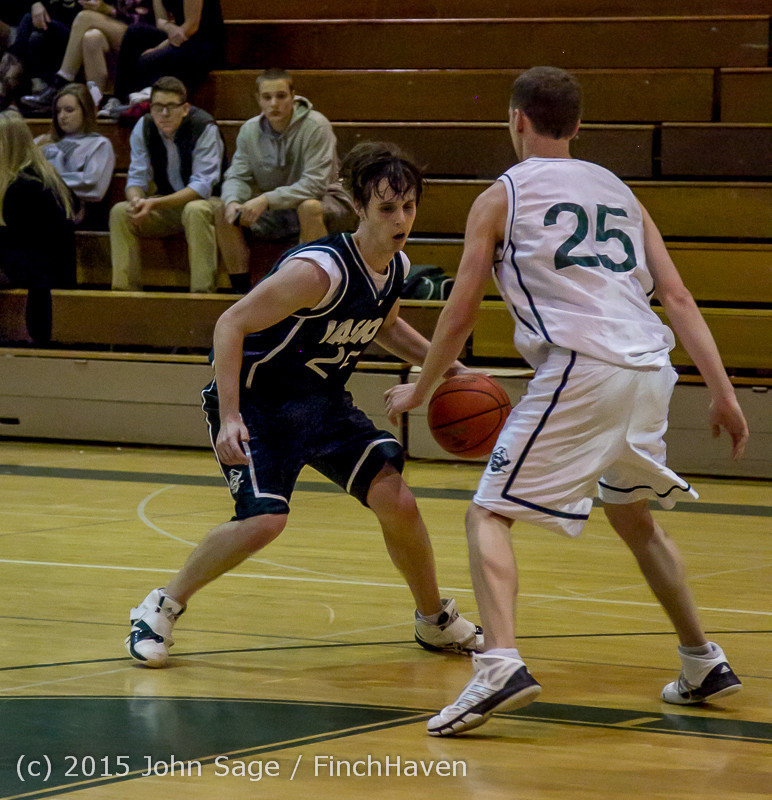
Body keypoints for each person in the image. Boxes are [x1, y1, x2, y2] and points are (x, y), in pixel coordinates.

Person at [384, 66, 750, 737]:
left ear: (517, 119)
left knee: (488, 513)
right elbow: (678, 297)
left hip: (583, 367)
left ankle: (498, 663)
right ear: (578, 126)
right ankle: (702, 659)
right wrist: (723, 392)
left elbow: (462, 308)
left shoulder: (501, 196)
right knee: (633, 517)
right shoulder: (621, 193)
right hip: (648, 367)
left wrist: (423, 385)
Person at [125, 141, 483, 668]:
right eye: (387, 208)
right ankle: (159, 606)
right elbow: (230, 324)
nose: (401, 218)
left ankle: (433, 621)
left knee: (397, 499)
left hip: (323, 405)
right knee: (265, 520)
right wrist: (228, 417)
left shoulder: (395, 266)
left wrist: (450, 369)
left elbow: (385, 326)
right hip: (259, 405)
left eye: (408, 207)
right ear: (360, 208)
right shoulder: (320, 270)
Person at [214, 68, 357, 294]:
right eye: (267, 97)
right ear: (258, 99)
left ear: (293, 96)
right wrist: (233, 201)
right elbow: (237, 176)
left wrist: (265, 200)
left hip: (327, 203)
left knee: (308, 207)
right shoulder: (249, 130)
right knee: (224, 211)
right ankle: (242, 293)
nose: (274, 104)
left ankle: (314, 291)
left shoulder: (316, 126)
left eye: (281, 96)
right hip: (278, 209)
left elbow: (315, 185)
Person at [109, 75, 224, 293]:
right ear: (150, 108)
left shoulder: (204, 126)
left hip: (211, 204)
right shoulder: (144, 127)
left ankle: (202, 294)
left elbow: (201, 187)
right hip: (168, 206)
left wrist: (154, 204)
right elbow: (136, 179)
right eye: (159, 107)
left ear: (185, 108)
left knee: (195, 209)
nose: (164, 114)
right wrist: (137, 201)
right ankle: (125, 294)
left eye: (171, 106)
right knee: (120, 212)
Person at [0, 108, 75, 343]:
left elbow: (14, 243)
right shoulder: (42, 175)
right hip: (46, 269)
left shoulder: (23, 186)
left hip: (40, 274)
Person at [19, 0, 152, 114]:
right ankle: (94, 106)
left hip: (141, 35)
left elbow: (143, 19)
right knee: (92, 37)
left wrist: (108, 10)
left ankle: (61, 83)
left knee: (84, 18)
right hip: (110, 28)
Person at [111, 0, 224, 108]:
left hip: (205, 43)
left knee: (148, 60)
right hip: (180, 38)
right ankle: (118, 100)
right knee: (134, 34)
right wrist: (169, 27)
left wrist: (158, 48)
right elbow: (160, 20)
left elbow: (192, 26)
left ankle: (142, 103)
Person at [35, 81, 114, 225]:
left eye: (69, 110)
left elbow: (93, 187)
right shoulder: (42, 141)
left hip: (78, 212)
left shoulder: (99, 144)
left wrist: (48, 181)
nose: (62, 116)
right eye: (58, 111)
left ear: (85, 111)